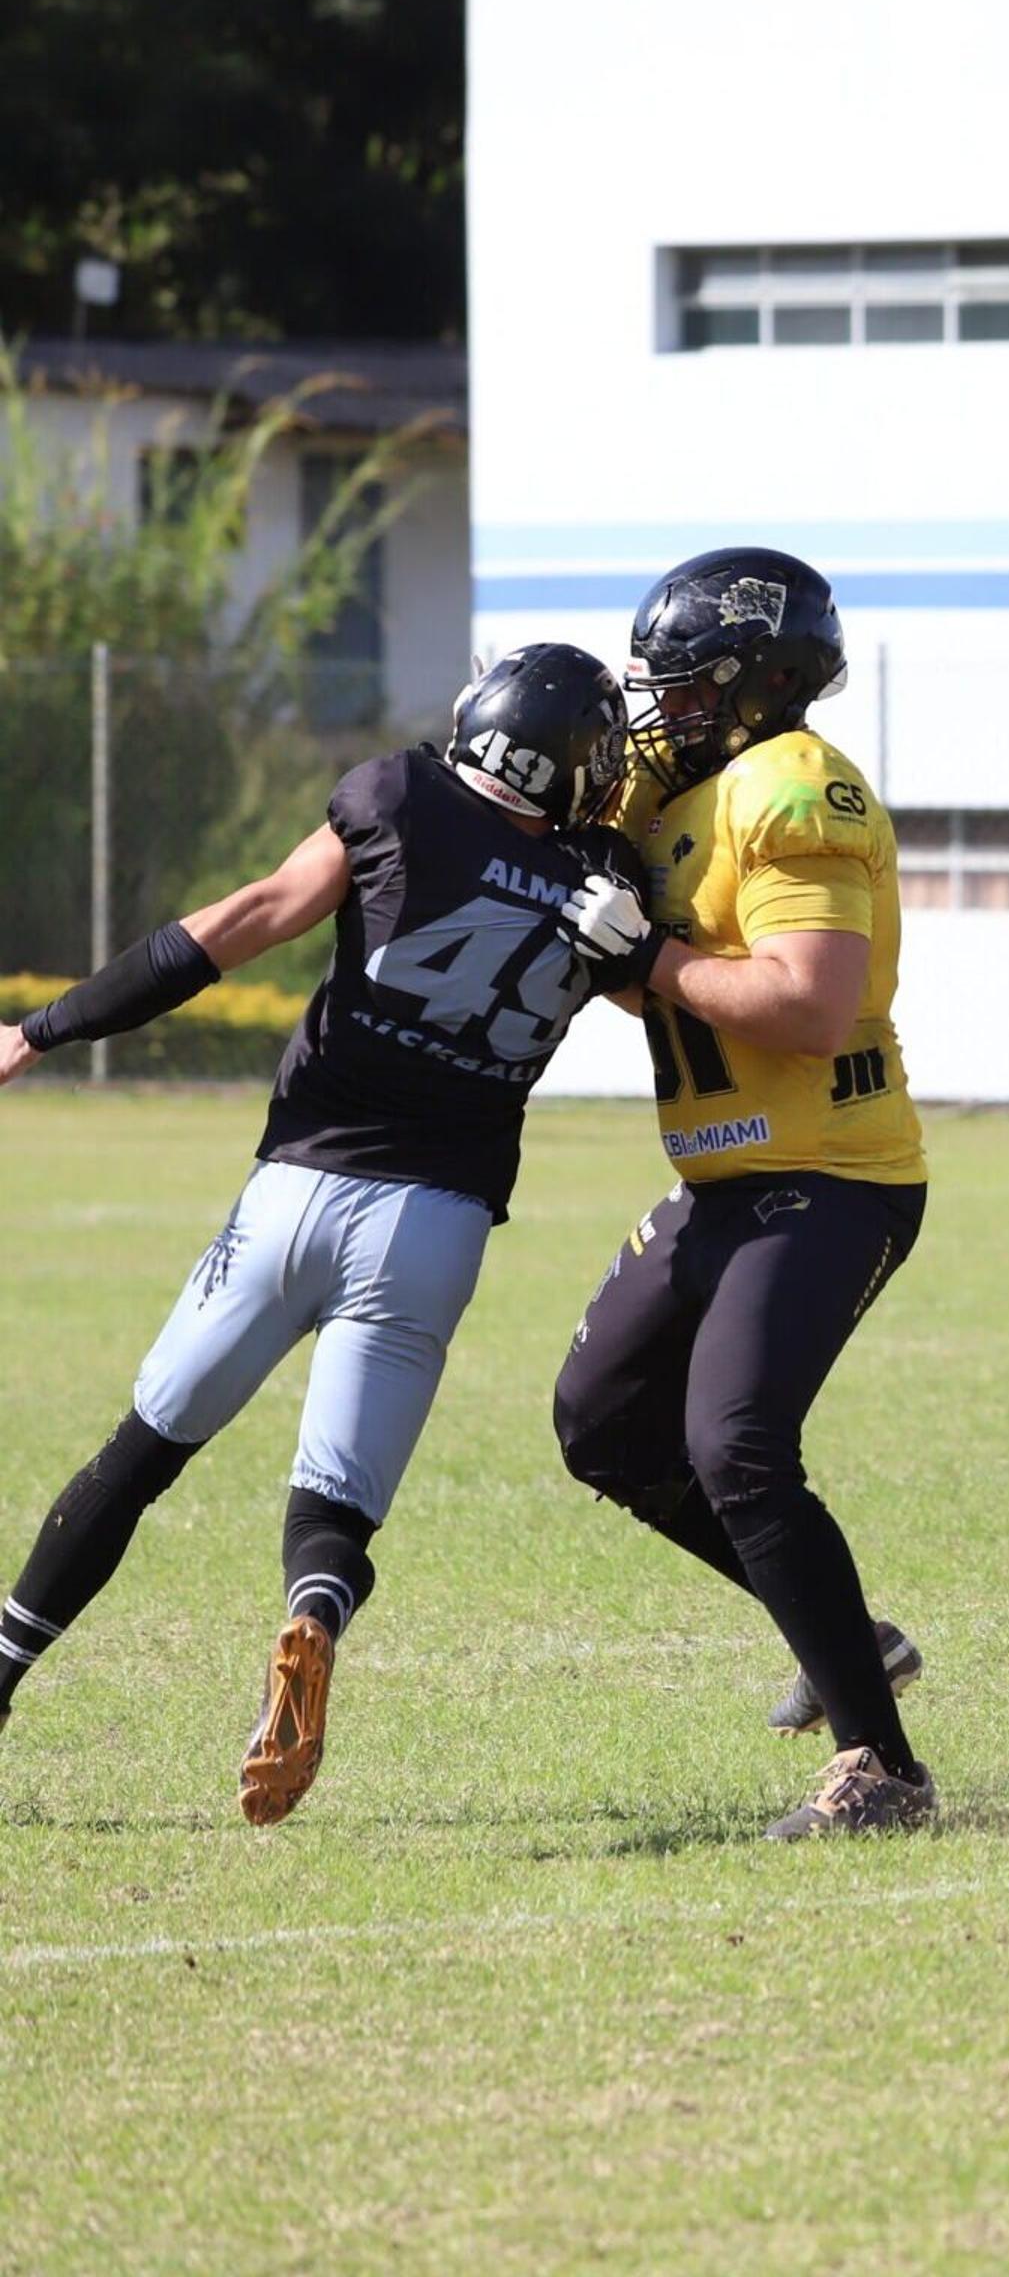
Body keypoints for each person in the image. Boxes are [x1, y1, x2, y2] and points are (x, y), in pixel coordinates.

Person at [0, 648, 651, 1822]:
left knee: (139, 1456)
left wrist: (39, 1033)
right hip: (436, 1223)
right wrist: (636, 939)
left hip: (297, 1190)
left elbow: (230, 928)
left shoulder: (397, 800)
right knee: (334, 1508)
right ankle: (309, 1616)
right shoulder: (605, 875)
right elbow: (654, 994)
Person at [550, 547, 939, 1841]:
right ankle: (846, 1641)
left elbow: (812, 1006)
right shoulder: (688, 793)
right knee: (603, 1422)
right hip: (727, 1176)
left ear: (763, 681)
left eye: (687, 683)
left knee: (737, 1448)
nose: (663, 706)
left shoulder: (794, 789)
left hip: (831, 1172)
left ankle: (882, 1769)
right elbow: (667, 977)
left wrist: (646, 955)